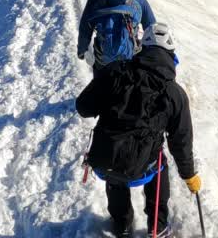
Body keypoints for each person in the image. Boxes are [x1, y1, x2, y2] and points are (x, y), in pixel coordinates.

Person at [77, 23, 200, 238]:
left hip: (106, 158)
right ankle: (158, 226)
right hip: (143, 166)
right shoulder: (175, 93)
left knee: (116, 168)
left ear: (141, 47)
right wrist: (189, 175)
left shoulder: (114, 71)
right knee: (158, 162)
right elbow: (181, 140)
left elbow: (83, 107)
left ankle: (122, 223)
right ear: (171, 55)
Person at [78, 0, 155, 72]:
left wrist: (82, 51)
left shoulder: (94, 1)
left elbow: (85, 28)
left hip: (103, 61)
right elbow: (152, 27)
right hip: (131, 59)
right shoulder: (138, 0)